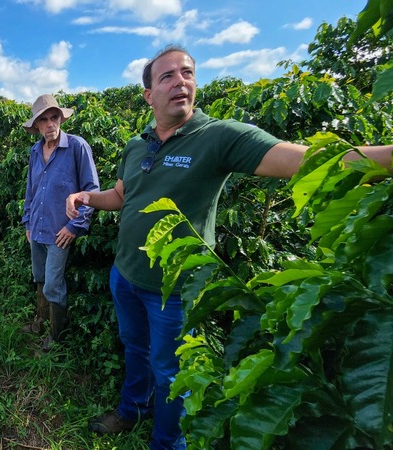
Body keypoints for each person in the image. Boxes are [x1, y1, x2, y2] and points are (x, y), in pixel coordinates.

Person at [67, 45, 392, 449]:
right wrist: (88, 197)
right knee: (135, 347)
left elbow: (300, 159)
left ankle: (166, 443)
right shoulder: (137, 145)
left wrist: (385, 159)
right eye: (167, 76)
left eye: (187, 73)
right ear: (148, 94)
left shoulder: (218, 136)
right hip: (125, 275)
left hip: (175, 289)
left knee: (169, 371)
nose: (180, 81)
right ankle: (132, 409)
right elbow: (122, 194)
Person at [21, 94, 100, 351]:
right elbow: (31, 190)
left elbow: (91, 191)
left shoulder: (77, 147)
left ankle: (56, 337)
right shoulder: (35, 151)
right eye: (43, 120)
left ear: (61, 119)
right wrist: (27, 222)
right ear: (36, 126)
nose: (49, 124)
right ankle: (40, 322)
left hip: (59, 231)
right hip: (38, 228)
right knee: (40, 277)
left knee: (54, 283)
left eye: (53, 117)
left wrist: (74, 226)